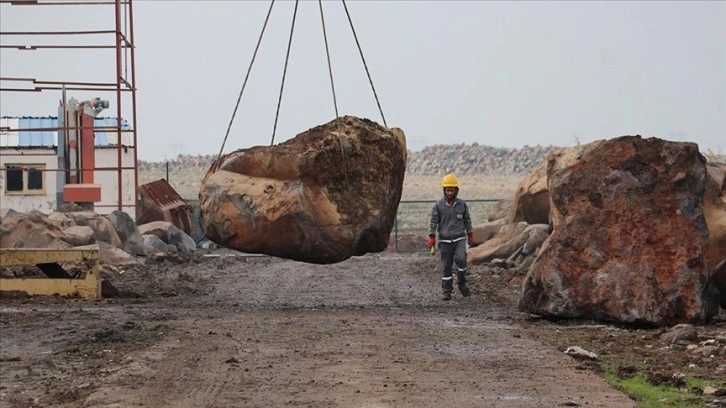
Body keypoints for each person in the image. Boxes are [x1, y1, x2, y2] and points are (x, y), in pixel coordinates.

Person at [427, 173, 474, 301]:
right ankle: (447, 291)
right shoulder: (438, 205)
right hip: (445, 240)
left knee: (461, 259)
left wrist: (470, 234)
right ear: (444, 190)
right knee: (446, 266)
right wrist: (432, 236)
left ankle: (462, 284)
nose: (450, 192)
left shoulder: (462, 205)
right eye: (447, 190)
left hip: (459, 238)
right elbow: (433, 221)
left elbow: (467, 220)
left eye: (452, 190)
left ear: (456, 190)